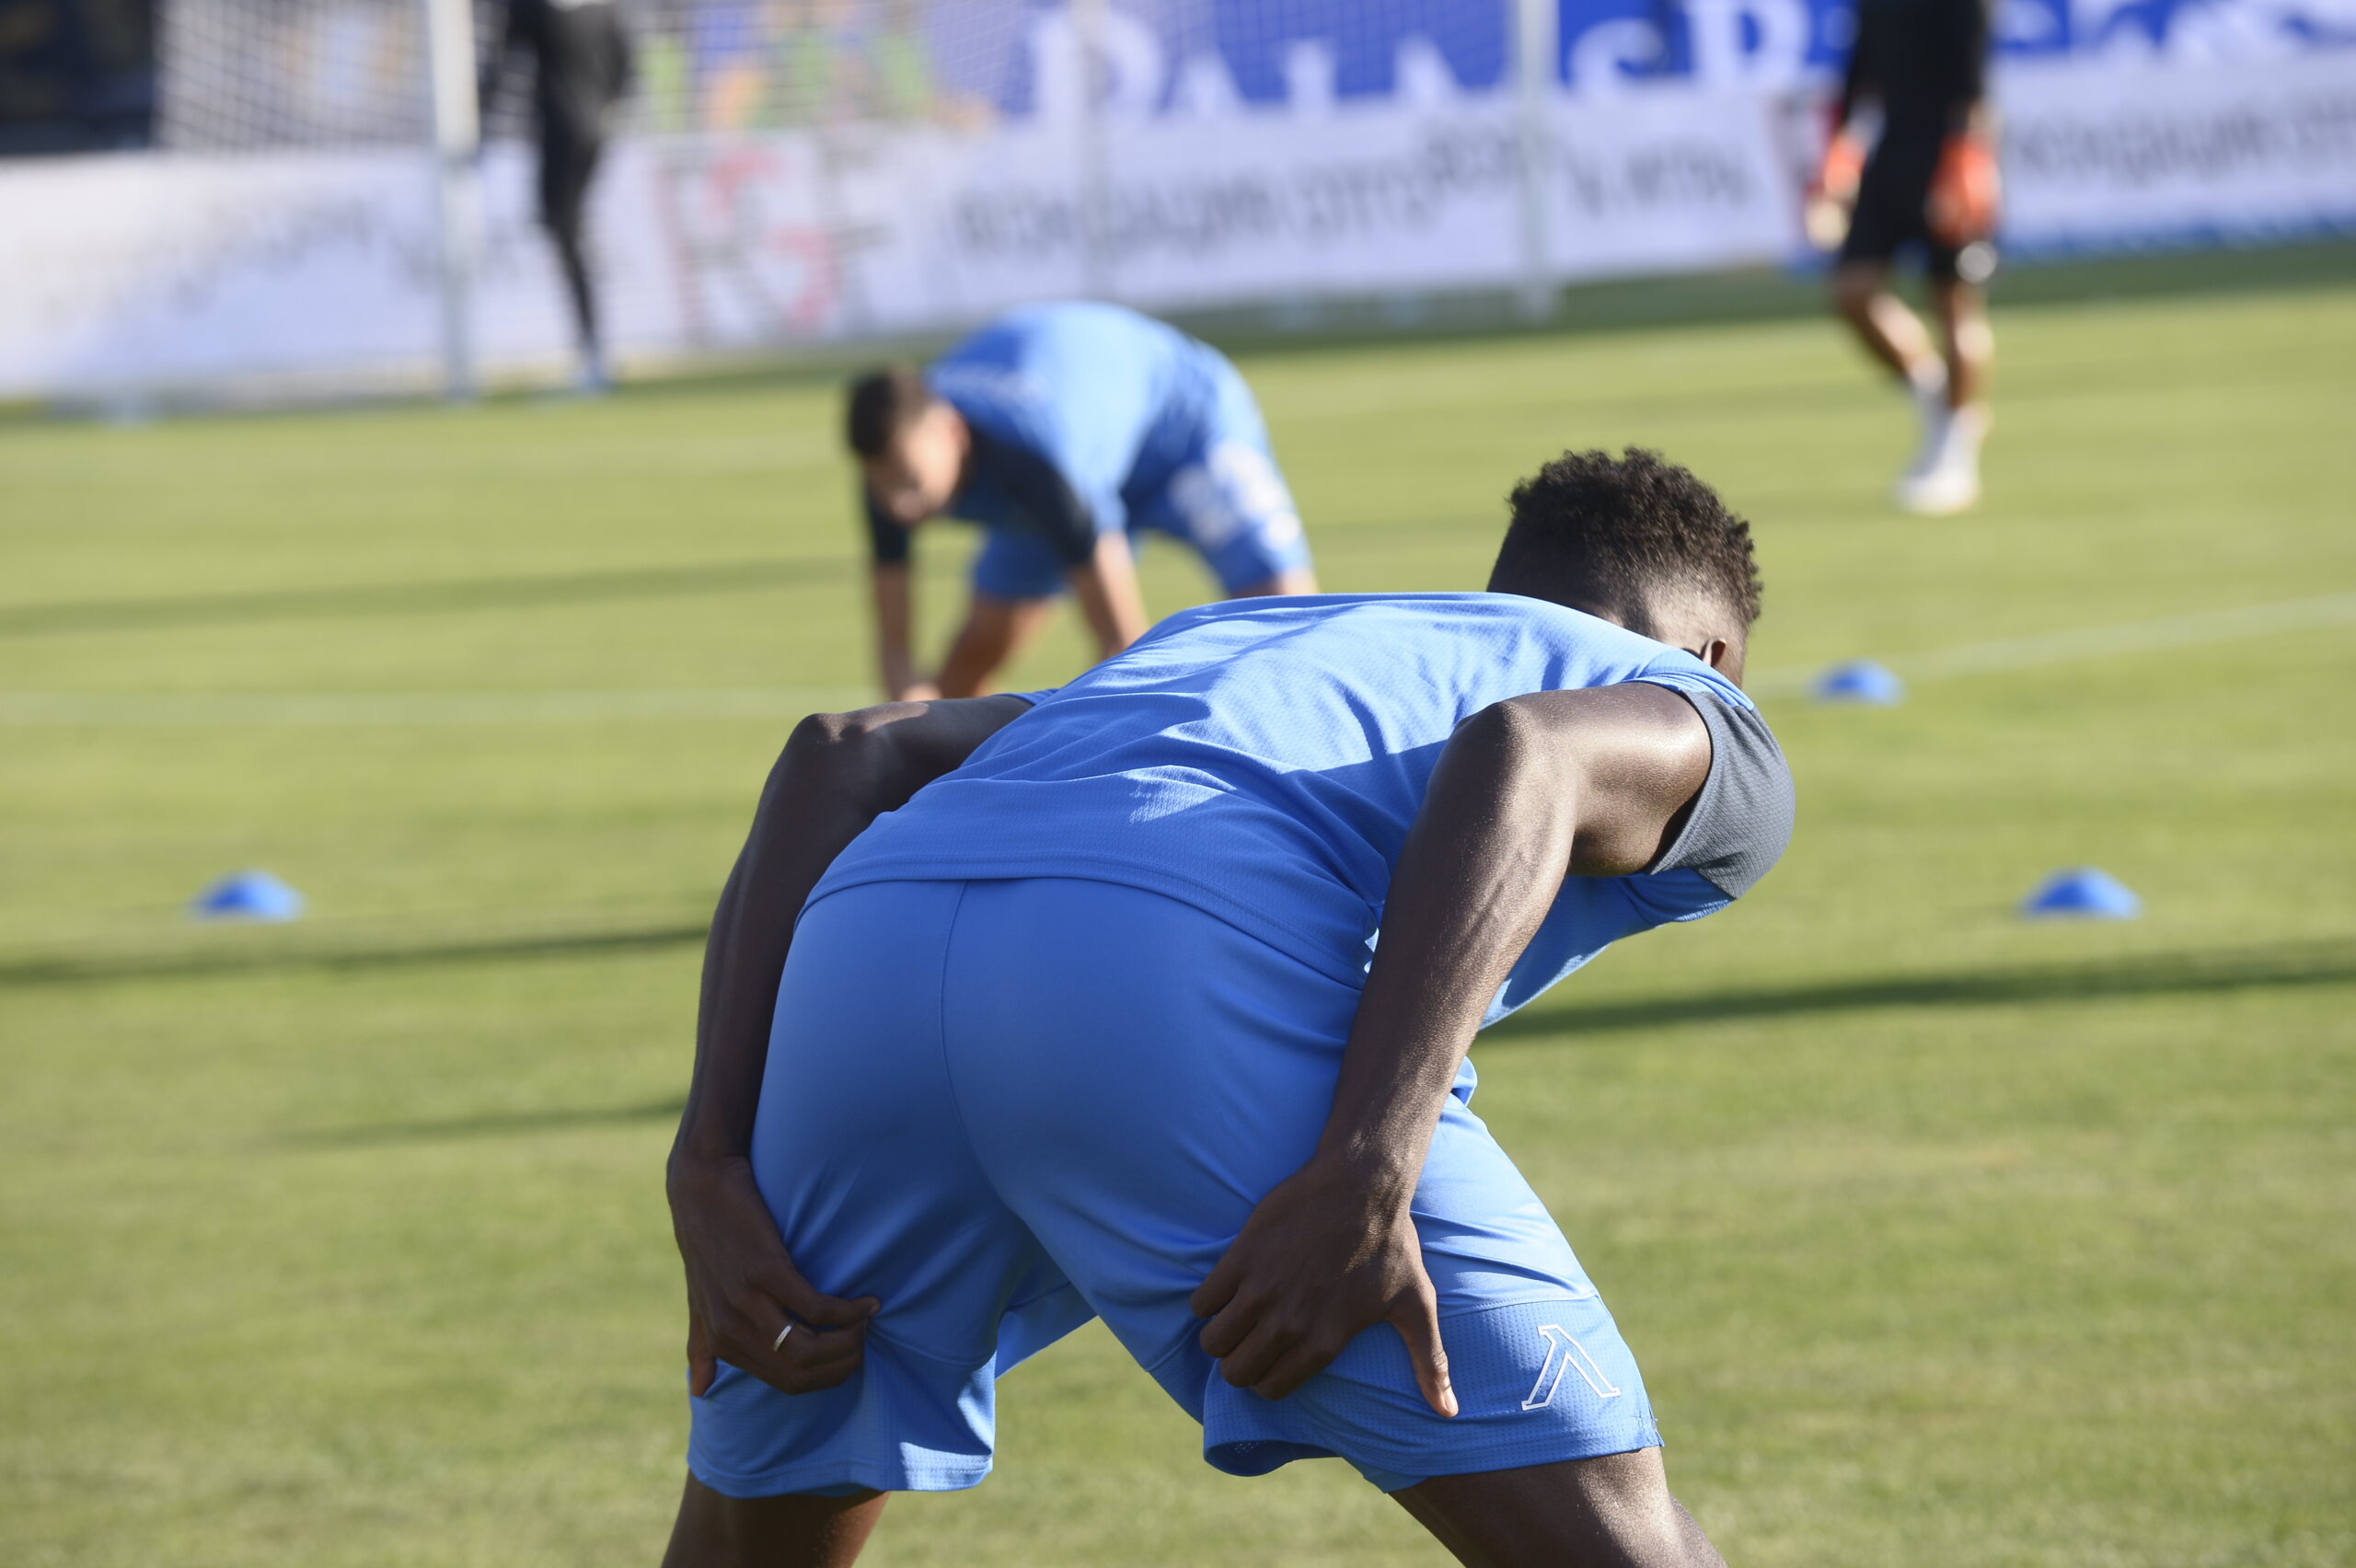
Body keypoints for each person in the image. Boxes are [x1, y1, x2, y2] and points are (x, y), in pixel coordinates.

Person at [662, 448, 1794, 1566]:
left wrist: (708, 1160)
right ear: (1710, 655)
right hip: (1168, 965)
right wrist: (1367, 1167)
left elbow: (843, 753)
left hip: (866, 954)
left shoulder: (1254, 638)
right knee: (1613, 1537)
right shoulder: (1697, 706)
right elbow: (1529, 750)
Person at [846, 301, 1319, 702]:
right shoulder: (891, 464)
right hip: (1071, 472)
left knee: (1288, 619)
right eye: (884, 487)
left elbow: (1121, 643)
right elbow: (895, 654)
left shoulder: (1034, 459)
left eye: (912, 483)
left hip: (1181, 430)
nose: (900, 507)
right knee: (970, 664)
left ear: (952, 432)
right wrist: (908, 704)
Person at [1812, 0, 1999, 514]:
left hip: (1953, 148)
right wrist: (1838, 153)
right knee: (1851, 291)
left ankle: (1955, 454)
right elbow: (1860, 69)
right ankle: (1941, 400)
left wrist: (1967, 160)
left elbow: (1973, 70)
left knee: (1954, 303)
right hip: (1891, 151)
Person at [479, 0, 634, 395]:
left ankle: (592, 355)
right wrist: (612, 106)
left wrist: (479, 122)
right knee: (567, 231)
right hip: (597, 130)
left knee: (563, 231)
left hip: (560, 133)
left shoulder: (530, 8)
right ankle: (592, 353)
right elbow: (626, 63)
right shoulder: (604, 8)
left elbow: (502, 64)